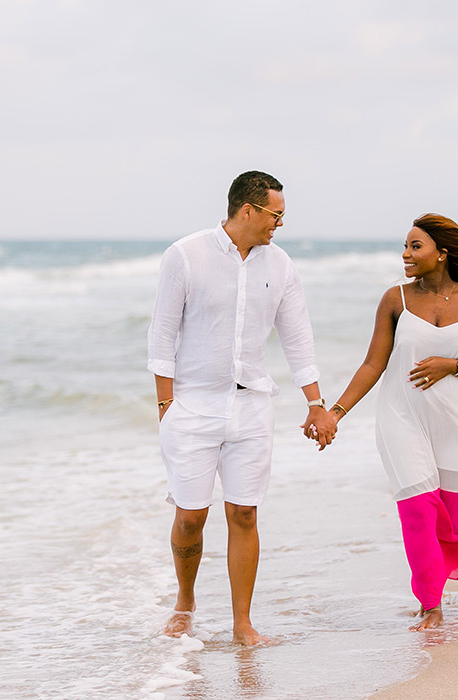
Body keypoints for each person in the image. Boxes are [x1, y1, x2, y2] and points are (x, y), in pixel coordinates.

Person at [146, 170, 337, 645]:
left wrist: (315, 403)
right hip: (192, 404)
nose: (279, 225)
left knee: (245, 514)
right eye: (276, 216)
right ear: (247, 210)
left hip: (252, 406)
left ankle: (242, 624)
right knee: (191, 515)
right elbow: (162, 332)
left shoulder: (282, 266)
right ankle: (185, 602)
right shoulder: (186, 255)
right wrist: (167, 401)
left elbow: (298, 338)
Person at [328, 213, 458, 630]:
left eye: (415, 246)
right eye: (405, 246)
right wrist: (336, 412)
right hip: (401, 416)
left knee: (455, 517)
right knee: (420, 508)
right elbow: (373, 363)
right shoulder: (396, 300)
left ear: (442, 254)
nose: (405, 254)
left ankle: (436, 585)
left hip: (456, 421)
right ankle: (430, 604)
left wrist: (451, 364)